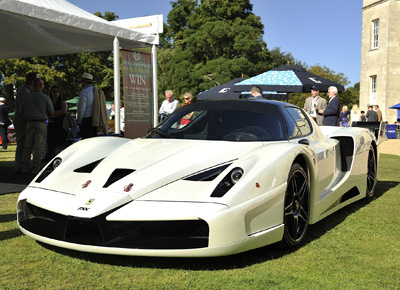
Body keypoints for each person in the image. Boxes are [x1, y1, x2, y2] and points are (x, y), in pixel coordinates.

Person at [20, 78, 54, 174]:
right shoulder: (45, 97)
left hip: (29, 122)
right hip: (41, 122)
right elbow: (51, 112)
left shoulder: (26, 97)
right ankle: (35, 167)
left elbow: (20, 112)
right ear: (41, 85)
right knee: (38, 147)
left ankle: (25, 167)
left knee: (27, 146)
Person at [13, 72, 37, 172]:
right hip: (21, 119)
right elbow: (22, 109)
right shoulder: (25, 91)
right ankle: (19, 165)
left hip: (21, 118)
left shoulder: (25, 90)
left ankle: (21, 164)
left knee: (23, 142)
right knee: (22, 142)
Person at [77, 72, 107, 139]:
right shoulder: (97, 91)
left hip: (86, 121)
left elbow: (81, 109)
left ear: (84, 82)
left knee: (86, 141)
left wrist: (79, 121)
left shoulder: (84, 92)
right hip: (95, 120)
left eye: (82, 82)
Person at [47, 86, 68, 158]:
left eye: (57, 92)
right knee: (52, 144)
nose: (56, 93)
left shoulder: (62, 102)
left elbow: (64, 111)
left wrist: (53, 114)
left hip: (61, 125)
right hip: (51, 125)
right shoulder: (49, 101)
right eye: (54, 91)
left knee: (60, 144)